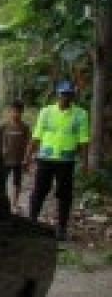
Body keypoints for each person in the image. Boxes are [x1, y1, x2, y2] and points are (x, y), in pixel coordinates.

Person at [27, 80, 90, 241]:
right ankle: (31, 223)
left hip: (66, 161)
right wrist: (27, 157)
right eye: (63, 94)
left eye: (69, 94)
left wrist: (85, 163)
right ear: (58, 94)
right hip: (45, 159)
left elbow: (84, 141)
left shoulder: (80, 114)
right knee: (39, 191)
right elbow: (36, 136)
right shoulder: (46, 112)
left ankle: (61, 228)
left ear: (72, 95)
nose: (66, 97)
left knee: (64, 195)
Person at [0, 100, 30, 209]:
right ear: (10, 111)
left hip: (19, 160)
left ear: (22, 112)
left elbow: (28, 143)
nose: (16, 114)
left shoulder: (25, 127)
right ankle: (1, 200)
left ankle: (14, 203)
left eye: (19, 111)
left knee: (17, 182)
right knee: (2, 180)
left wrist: (27, 159)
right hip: (5, 159)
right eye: (14, 111)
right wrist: (0, 152)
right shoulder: (4, 126)